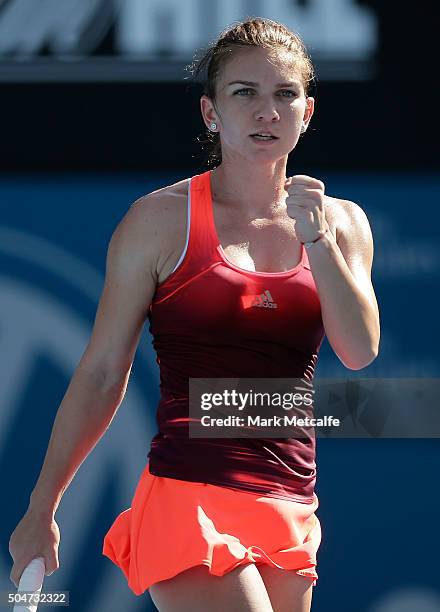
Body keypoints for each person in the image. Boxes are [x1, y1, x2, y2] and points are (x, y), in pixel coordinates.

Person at [9, 16, 380, 612]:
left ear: (307, 113)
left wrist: (318, 243)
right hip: (187, 499)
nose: (267, 112)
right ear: (211, 113)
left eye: (285, 94)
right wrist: (42, 506)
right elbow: (104, 372)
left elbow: (359, 351)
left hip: (290, 502)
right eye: (245, 94)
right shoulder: (157, 222)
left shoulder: (342, 225)